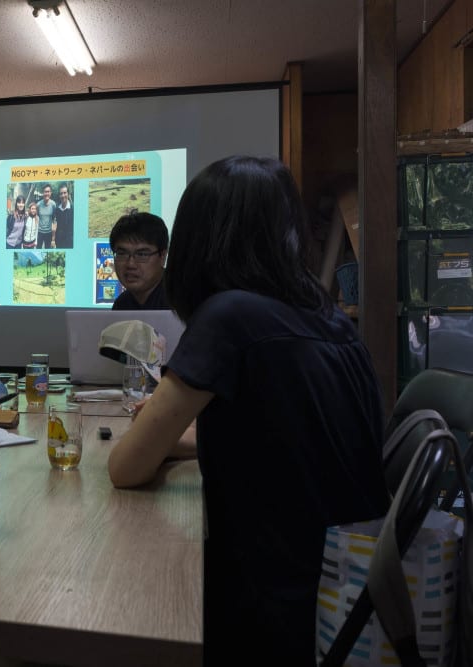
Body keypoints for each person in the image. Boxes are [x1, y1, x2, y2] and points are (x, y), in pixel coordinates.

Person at [106, 156, 389, 665]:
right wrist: (175, 441)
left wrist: (155, 436)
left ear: (197, 241)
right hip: (348, 587)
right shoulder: (324, 313)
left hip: (276, 602)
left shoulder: (229, 315)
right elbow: (276, 438)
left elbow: (125, 468)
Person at [108, 211, 169, 309]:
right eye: (122, 254)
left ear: (163, 256)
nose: (130, 264)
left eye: (142, 254)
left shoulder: (181, 302)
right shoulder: (122, 304)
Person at [35, 183, 57, 248]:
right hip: (39, 232)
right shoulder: (38, 204)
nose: (47, 193)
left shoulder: (53, 204)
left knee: (48, 249)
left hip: (49, 233)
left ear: (50, 193)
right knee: (38, 249)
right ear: (43, 193)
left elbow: (54, 220)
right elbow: (36, 216)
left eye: (48, 192)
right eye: (45, 192)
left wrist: (53, 238)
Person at [53, 182, 73, 248]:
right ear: (59, 195)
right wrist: (53, 240)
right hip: (59, 243)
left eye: (65, 193)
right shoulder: (57, 210)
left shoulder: (73, 209)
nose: (63, 195)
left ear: (68, 194)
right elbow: (55, 225)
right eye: (61, 193)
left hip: (70, 244)